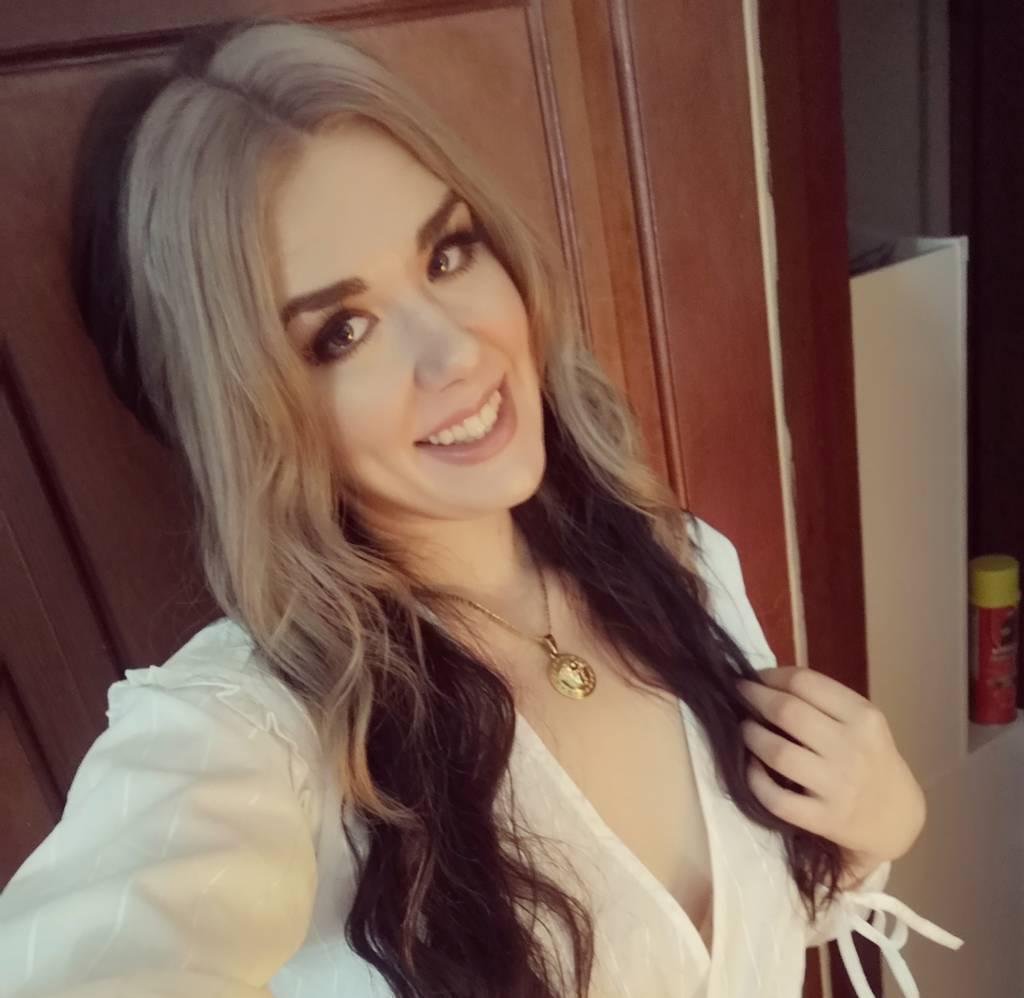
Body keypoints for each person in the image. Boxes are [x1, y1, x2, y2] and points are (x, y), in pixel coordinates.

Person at [0, 16, 962, 998]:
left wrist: (874, 830)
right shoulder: (257, 732)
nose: (457, 352)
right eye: (343, 331)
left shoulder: (685, 565)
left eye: (448, 254)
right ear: (247, 413)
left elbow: (776, 914)